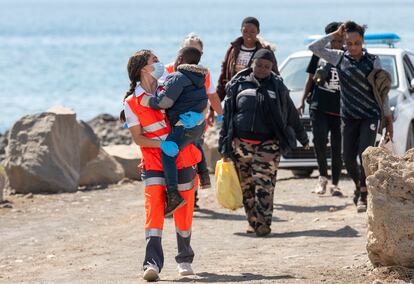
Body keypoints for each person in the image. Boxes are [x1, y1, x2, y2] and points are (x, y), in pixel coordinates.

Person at [121, 49, 201, 281]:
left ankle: (184, 259)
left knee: (184, 209)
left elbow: (196, 104)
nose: (159, 63)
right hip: (154, 159)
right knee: (154, 208)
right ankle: (151, 263)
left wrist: (196, 119)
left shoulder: (171, 86)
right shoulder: (131, 102)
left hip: (185, 155)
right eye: (153, 60)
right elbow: (138, 138)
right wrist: (162, 144)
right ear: (143, 69)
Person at [219, 49, 309, 237]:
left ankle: (264, 223)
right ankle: (253, 222)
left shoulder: (277, 87)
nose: (261, 69)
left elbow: (291, 114)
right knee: (247, 186)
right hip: (241, 145)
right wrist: (224, 145)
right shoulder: (238, 84)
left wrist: (303, 138)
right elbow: (228, 116)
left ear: (272, 68)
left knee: (264, 185)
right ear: (252, 63)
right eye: (259, 65)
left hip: (268, 144)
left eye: (266, 67)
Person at [308, 21, 393, 212]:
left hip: (369, 116)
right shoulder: (338, 58)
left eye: (357, 43)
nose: (353, 47)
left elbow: (382, 92)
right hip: (347, 117)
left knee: (364, 154)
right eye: (349, 43)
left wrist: (387, 118)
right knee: (347, 158)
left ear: (362, 41)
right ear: (344, 42)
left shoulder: (373, 61)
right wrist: (334, 35)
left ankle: (363, 194)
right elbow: (313, 48)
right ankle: (358, 185)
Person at [140, 47, 208, 216]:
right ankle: (204, 174)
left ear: (181, 58)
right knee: (194, 143)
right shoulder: (199, 78)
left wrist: (148, 101)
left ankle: (173, 194)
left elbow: (165, 102)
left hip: (182, 125)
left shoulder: (178, 77)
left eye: (178, 56)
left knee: (168, 153)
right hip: (198, 125)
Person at [164, 33, 223, 209]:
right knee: (185, 155)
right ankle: (194, 184)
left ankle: (192, 197)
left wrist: (219, 115)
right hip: (176, 122)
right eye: (189, 47)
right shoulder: (169, 69)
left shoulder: (204, 72)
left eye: (196, 49)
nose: (192, 51)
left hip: (195, 121)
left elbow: (211, 96)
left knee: (192, 156)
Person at [298, 22, 344, 196]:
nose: (338, 42)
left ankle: (335, 184)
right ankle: (322, 178)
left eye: (341, 38)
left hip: (341, 110)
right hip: (319, 107)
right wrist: (302, 101)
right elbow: (310, 80)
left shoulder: (347, 55)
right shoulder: (319, 54)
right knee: (319, 143)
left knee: (338, 146)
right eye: (335, 38)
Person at [213, 16, 279, 123]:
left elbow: (275, 76)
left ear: (258, 32)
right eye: (245, 31)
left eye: (252, 31)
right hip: (233, 100)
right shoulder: (232, 50)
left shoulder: (264, 51)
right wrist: (213, 108)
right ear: (241, 30)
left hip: (255, 101)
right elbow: (223, 79)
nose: (248, 34)